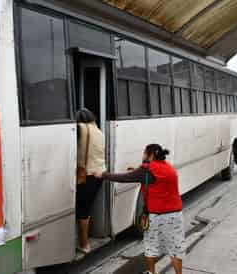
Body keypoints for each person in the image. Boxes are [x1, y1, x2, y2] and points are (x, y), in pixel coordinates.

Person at [95, 144, 185, 274]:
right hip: (176, 215)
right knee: (175, 247)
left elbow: (123, 178)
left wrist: (103, 174)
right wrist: (136, 171)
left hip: (157, 216)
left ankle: (151, 272)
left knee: (151, 247)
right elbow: (151, 176)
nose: (142, 155)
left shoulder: (146, 170)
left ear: (151, 155)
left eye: (144, 153)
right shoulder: (168, 167)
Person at [76, 109, 105, 253]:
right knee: (86, 207)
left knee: (82, 210)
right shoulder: (99, 131)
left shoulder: (81, 128)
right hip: (99, 175)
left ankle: (84, 243)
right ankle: (83, 241)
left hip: (85, 175)